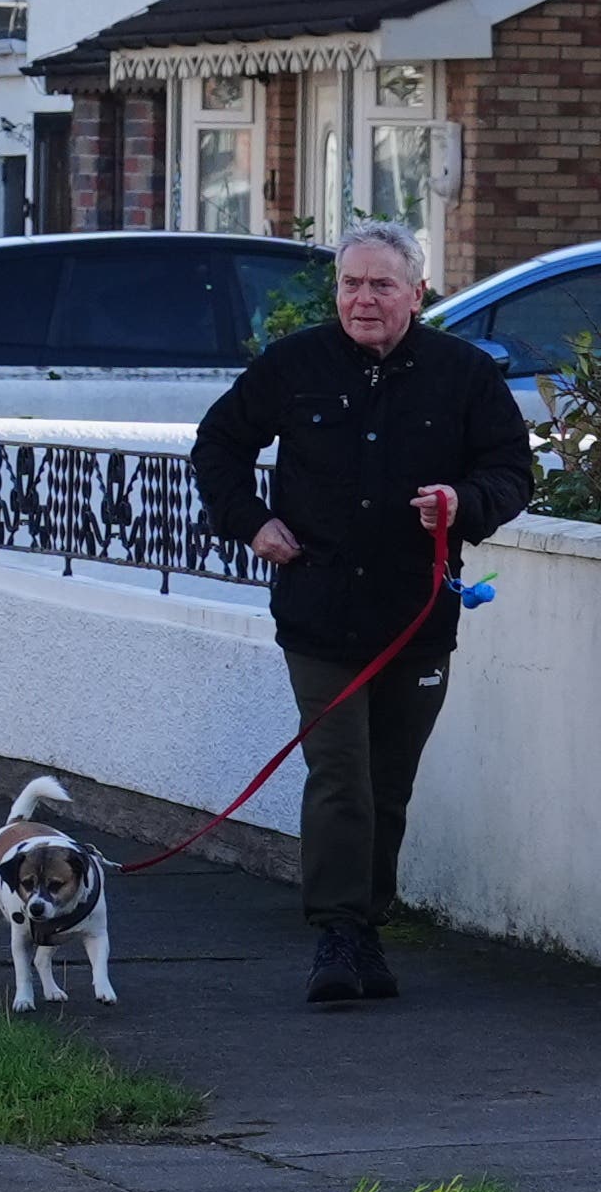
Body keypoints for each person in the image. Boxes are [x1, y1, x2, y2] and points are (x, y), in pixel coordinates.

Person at [194, 219, 536, 1005]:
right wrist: (252, 522)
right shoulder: (295, 364)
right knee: (340, 773)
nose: (363, 299)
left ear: (417, 293)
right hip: (319, 613)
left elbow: (512, 473)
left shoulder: (463, 374)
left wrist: (463, 502)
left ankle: (369, 927)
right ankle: (338, 933)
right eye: (351, 283)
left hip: (417, 615)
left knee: (388, 784)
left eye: (382, 285)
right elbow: (218, 445)